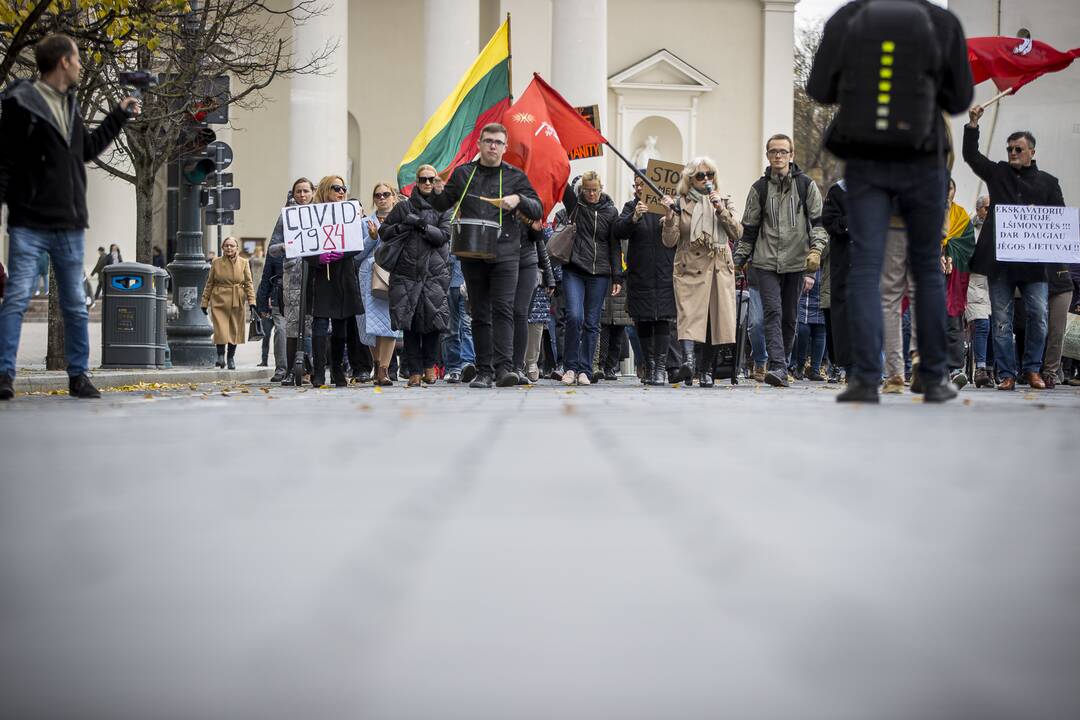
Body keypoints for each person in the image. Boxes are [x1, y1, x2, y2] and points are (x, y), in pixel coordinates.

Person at [807, 0, 973, 403]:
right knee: (927, 269)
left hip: (866, 161)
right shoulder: (942, 21)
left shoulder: (847, 17)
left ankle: (865, 377)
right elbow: (958, 99)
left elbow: (819, 89)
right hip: (924, 158)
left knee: (866, 265)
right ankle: (933, 377)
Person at [0, 33, 139, 401]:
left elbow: (87, 150)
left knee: (75, 303)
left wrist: (118, 116)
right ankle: (3, 374)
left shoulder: (70, 105)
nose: (80, 65)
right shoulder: (21, 104)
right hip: (29, 220)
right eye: (77, 59)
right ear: (63, 61)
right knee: (16, 298)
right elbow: (6, 162)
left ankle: (78, 376)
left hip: (69, 222)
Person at [430, 122, 542, 388]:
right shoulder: (463, 174)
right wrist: (436, 191)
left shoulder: (515, 176)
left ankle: (504, 369)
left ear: (505, 147)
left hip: (506, 253)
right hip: (472, 251)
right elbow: (441, 205)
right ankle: (484, 371)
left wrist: (518, 200)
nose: (493, 146)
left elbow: (537, 209)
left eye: (498, 142)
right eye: (488, 141)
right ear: (479, 144)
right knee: (479, 312)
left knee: (504, 310)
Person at [964, 112, 1064, 391]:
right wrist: (973, 125)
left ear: (1032, 151)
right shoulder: (997, 174)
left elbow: (1059, 218)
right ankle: (1007, 373)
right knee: (1001, 321)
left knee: (1039, 317)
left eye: (1018, 149)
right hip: (1000, 263)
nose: (1012, 152)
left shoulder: (1048, 182)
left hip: (1034, 266)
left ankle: (1032, 370)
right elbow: (971, 156)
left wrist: (1039, 215)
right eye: (1009, 149)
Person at [734, 135, 828, 388]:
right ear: (767, 155)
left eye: (783, 151)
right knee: (772, 312)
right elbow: (749, 229)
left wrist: (816, 250)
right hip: (765, 262)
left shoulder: (806, 185)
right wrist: (738, 260)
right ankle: (777, 366)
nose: (778, 156)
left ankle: (781, 362)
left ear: (791, 155)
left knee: (789, 316)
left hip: (797, 262)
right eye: (773, 151)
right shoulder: (759, 188)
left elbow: (818, 223)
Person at [660, 157, 741, 387]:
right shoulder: (679, 203)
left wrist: (721, 209)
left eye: (710, 175)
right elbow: (670, 241)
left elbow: (737, 232)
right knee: (687, 316)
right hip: (689, 266)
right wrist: (668, 217)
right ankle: (689, 363)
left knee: (712, 320)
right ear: (690, 179)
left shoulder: (724, 200)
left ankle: (706, 371)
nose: (706, 179)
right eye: (700, 175)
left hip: (717, 266)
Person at [378, 165, 452, 387]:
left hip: (434, 273)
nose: (427, 183)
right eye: (423, 179)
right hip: (406, 273)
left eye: (431, 179)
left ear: (436, 181)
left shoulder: (443, 208)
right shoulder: (403, 207)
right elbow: (385, 232)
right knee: (408, 324)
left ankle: (430, 367)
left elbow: (443, 236)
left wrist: (420, 225)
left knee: (432, 322)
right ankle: (415, 372)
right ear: (417, 182)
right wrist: (403, 226)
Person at [557, 171, 621, 386]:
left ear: (601, 188)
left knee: (592, 322)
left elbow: (614, 246)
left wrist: (617, 278)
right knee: (574, 317)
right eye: (587, 190)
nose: (591, 194)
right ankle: (570, 367)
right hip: (574, 268)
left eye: (594, 190)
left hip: (600, 272)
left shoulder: (611, 212)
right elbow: (562, 184)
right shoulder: (576, 206)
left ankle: (585, 369)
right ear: (581, 190)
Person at [614, 170, 676, 386]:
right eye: (636, 184)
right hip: (640, 273)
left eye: (643, 184)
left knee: (662, 319)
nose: (639, 188)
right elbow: (618, 231)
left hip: (664, 272)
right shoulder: (631, 207)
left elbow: (678, 233)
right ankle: (648, 365)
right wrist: (634, 218)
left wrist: (670, 215)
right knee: (642, 320)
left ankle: (660, 368)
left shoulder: (666, 206)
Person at [305, 175, 363, 388]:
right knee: (320, 324)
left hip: (343, 274)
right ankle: (319, 372)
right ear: (325, 190)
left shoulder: (350, 213)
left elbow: (358, 243)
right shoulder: (313, 214)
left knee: (341, 326)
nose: (341, 191)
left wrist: (340, 253)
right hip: (321, 276)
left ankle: (337, 370)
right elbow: (302, 243)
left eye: (343, 188)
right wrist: (317, 257)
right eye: (336, 187)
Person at [266, 177, 315, 385]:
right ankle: (289, 370)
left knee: (311, 324)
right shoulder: (285, 217)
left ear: (312, 192)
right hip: (292, 276)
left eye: (305, 191)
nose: (302, 195)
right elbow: (272, 249)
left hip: (315, 274)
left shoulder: (320, 213)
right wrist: (285, 247)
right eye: (298, 192)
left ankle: (309, 368)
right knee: (292, 325)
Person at [357, 182, 403, 386]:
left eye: (386, 194)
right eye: (378, 195)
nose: (382, 198)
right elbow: (356, 256)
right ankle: (377, 365)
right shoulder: (364, 223)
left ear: (393, 197)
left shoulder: (401, 221)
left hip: (392, 275)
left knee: (389, 323)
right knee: (370, 325)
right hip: (368, 276)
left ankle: (384, 369)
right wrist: (371, 238)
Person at [941, 178, 977, 388]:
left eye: (950, 188)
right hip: (930, 275)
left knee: (953, 321)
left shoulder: (962, 216)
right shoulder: (925, 213)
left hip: (954, 276)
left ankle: (955, 369)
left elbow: (968, 245)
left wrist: (950, 251)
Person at [200, 236, 256, 369]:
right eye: (226, 246)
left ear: (237, 248)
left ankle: (231, 358)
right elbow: (210, 283)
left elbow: (248, 283)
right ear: (222, 248)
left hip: (237, 300)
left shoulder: (244, 262)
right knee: (220, 329)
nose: (229, 248)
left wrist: (252, 301)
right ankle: (220, 356)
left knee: (234, 330)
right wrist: (204, 302)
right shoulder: (216, 262)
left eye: (232, 245)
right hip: (219, 299)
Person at [512, 217, 556, 385]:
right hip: (509, 271)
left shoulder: (535, 222)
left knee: (536, 322)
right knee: (515, 318)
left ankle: (531, 362)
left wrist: (550, 278)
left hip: (534, 276)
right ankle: (517, 362)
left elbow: (542, 249)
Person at [822, 179, 850, 382]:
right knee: (841, 317)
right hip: (844, 262)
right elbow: (829, 222)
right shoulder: (838, 190)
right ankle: (843, 365)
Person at [255, 235, 287, 382]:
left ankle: (304, 368)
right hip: (278, 297)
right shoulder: (275, 251)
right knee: (281, 330)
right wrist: (262, 305)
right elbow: (266, 278)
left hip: (303, 296)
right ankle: (282, 369)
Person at [248, 245, 269, 366]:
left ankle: (264, 360)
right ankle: (264, 359)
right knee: (266, 334)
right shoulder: (260, 261)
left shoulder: (253, 260)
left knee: (266, 334)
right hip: (259, 288)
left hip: (258, 288)